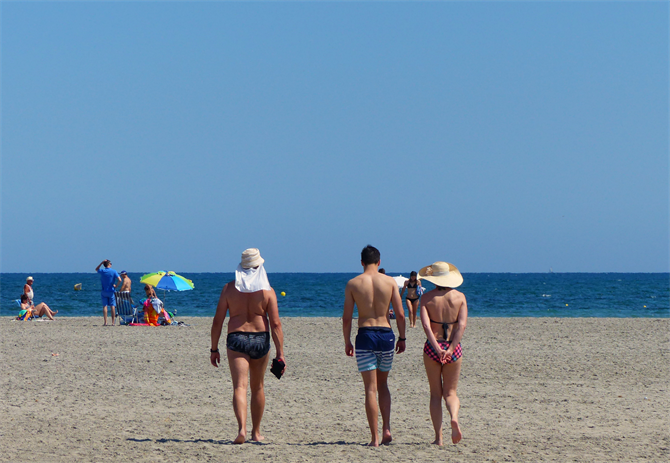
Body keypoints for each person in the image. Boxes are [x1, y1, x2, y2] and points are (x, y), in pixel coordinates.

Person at [210, 248, 285, 444]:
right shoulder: (268, 291)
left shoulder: (228, 289)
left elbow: (217, 321)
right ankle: (256, 432)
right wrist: (280, 353)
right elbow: (276, 324)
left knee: (239, 387)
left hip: (237, 338)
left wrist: (214, 348)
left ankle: (242, 429)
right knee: (258, 387)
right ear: (260, 266)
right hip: (261, 338)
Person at [343, 245, 406, 447]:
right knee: (383, 384)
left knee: (370, 388)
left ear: (361, 262)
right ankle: (387, 427)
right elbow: (401, 314)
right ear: (379, 262)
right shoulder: (389, 282)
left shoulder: (353, 284)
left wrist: (347, 341)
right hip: (386, 335)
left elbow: (346, 318)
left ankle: (375, 438)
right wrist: (402, 337)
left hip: (365, 335)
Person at [418, 261, 468, 445]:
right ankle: (454, 416)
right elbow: (461, 325)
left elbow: (425, 325)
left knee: (435, 394)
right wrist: (451, 348)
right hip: (453, 348)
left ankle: (438, 438)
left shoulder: (426, 298)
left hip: (433, 348)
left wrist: (437, 348)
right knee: (451, 393)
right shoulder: (460, 297)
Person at [95, 259, 121, 326]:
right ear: (109, 264)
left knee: (105, 306)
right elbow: (120, 280)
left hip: (104, 291)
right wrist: (116, 286)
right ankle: (113, 322)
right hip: (111, 291)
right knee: (112, 306)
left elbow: (96, 269)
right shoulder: (113, 271)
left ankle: (105, 322)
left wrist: (101, 262)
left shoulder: (103, 271)